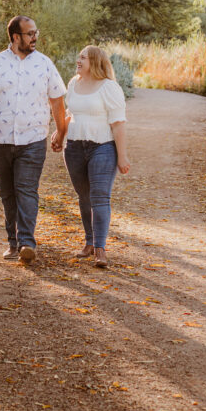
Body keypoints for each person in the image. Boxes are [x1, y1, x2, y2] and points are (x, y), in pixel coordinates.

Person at [0, 16, 66, 263]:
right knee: (7, 192)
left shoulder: (45, 64)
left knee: (26, 190)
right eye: (30, 33)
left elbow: (57, 99)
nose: (35, 37)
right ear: (15, 37)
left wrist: (61, 131)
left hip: (32, 139)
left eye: (36, 32)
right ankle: (13, 245)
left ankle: (26, 242)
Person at [52, 46, 130, 268]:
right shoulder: (73, 84)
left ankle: (100, 249)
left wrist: (122, 157)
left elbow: (118, 124)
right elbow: (70, 115)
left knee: (100, 197)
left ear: (94, 61)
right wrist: (59, 134)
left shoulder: (109, 88)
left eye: (83, 57)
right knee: (84, 197)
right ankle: (89, 242)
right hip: (74, 147)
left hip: (103, 148)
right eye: (79, 56)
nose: (78, 60)